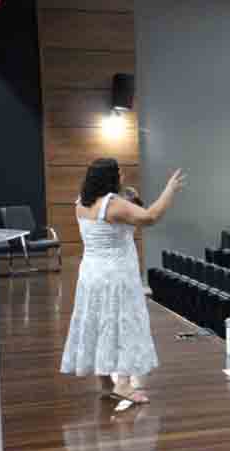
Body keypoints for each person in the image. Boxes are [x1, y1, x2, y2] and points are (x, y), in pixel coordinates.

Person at [60, 158, 185, 405]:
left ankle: (106, 383)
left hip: (91, 274)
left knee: (98, 323)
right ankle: (124, 384)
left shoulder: (81, 203)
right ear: (112, 177)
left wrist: (128, 198)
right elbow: (150, 217)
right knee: (123, 323)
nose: (123, 175)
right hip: (117, 275)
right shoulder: (113, 204)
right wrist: (169, 190)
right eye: (119, 173)